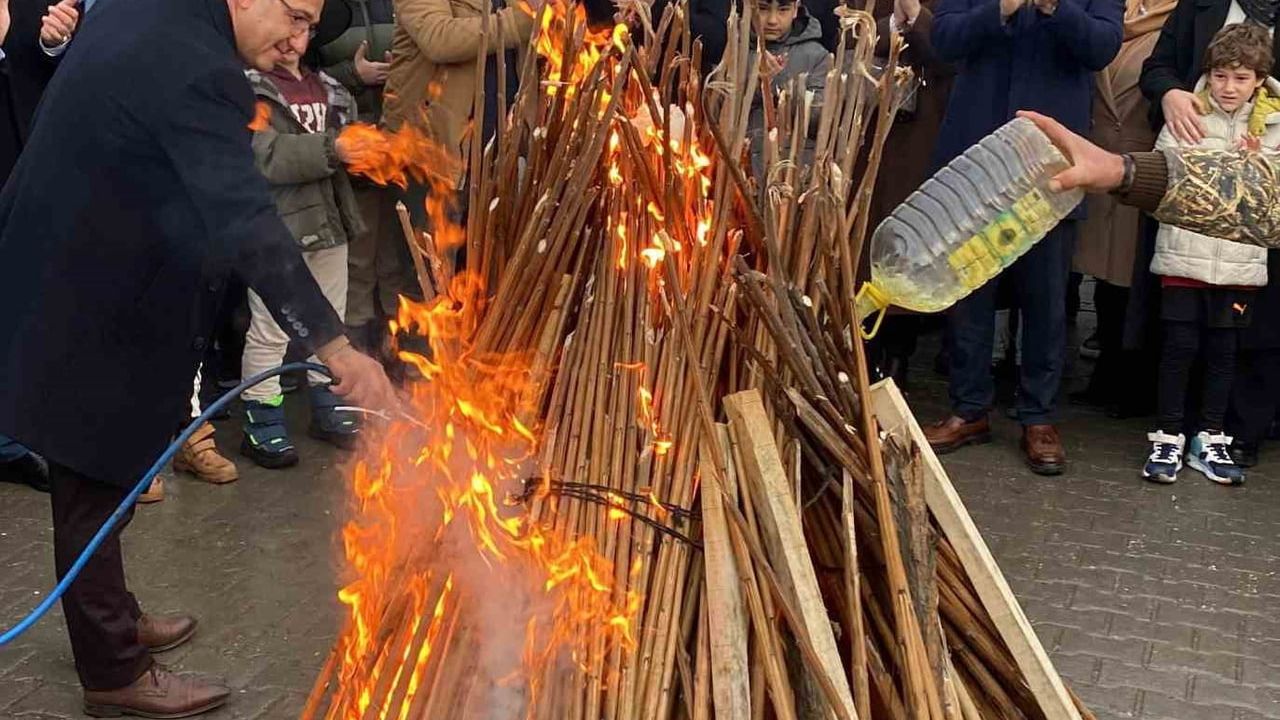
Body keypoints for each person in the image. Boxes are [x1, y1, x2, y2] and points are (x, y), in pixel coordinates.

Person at [0, 0, 398, 714]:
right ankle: (113, 669)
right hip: (86, 283)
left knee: (99, 473)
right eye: (297, 19)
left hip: (68, 252)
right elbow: (245, 216)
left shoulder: (157, 11)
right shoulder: (199, 67)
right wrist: (332, 343)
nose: (300, 44)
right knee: (91, 474)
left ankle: (110, 612)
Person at [922, 0, 1123, 475]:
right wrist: (1002, 9)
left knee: (1046, 298)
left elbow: (1103, 46)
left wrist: (1058, 9)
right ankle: (969, 409)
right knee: (970, 291)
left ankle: (1038, 417)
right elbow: (945, 38)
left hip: (1051, 166)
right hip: (975, 159)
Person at [1140, 22, 1278, 486]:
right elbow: (1164, 179)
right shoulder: (1187, 114)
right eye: (1221, 76)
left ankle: (1211, 436)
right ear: (1208, 74)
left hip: (1241, 265)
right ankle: (1168, 434)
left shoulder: (1275, 126)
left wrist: (1257, 164)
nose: (1229, 88)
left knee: (1224, 350)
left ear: (1260, 79)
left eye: (1242, 78)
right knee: (1178, 348)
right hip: (1183, 258)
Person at [241, 32, 365, 469]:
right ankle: (262, 411)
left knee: (330, 318)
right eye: (287, 25)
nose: (293, 40)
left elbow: (350, 135)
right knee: (270, 327)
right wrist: (335, 147)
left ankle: (326, 401)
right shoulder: (250, 90)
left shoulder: (326, 86)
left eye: (304, 28)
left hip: (329, 224)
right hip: (278, 229)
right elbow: (266, 157)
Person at [1071, 0, 1175, 418]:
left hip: (1142, 166)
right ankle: (1102, 374)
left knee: (1131, 276)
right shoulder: (1112, 16)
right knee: (1100, 274)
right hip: (1094, 158)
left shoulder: (1175, 24)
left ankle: (1127, 378)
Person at [747, 0, 831, 179]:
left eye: (783, 10)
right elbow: (717, 110)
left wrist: (776, 86)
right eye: (763, 8)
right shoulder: (736, 50)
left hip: (794, 175)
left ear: (795, 9)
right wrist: (755, 85)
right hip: (741, 173)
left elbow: (820, 116)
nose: (772, 20)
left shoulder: (817, 56)